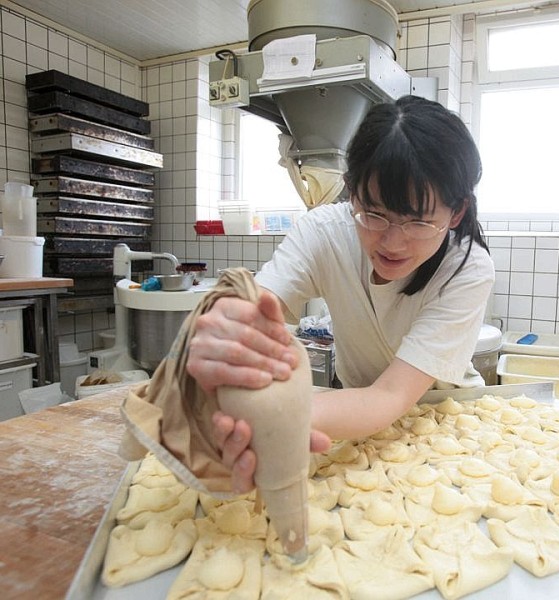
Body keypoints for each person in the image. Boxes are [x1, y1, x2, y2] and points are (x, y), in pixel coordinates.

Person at [187, 95, 495, 492]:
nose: (393, 242)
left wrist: (279, 416)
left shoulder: (466, 268)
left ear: (455, 213)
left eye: (418, 222)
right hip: (352, 412)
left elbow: (390, 395)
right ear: (352, 192)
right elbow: (258, 307)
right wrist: (226, 340)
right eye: (375, 213)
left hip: (438, 420)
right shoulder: (325, 231)